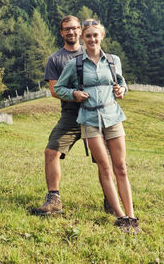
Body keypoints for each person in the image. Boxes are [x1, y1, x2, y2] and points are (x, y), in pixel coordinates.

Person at [54, 19, 141, 233]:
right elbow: (58, 88)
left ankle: (131, 216)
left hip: (113, 117)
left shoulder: (113, 60)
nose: (92, 39)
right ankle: (121, 218)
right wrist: (74, 94)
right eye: (88, 36)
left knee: (121, 167)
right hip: (90, 120)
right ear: (83, 38)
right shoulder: (75, 64)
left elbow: (121, 83)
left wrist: (122, 90)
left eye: (96, 35)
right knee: (105, 167)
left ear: (101, 36)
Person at [31, 16, 113, 216]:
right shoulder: (55, 59)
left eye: (75, 28)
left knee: (104, 159)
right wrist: (74, 95)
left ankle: (111, 201)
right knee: (51, 151)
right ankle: (54, 199)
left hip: (96, 112)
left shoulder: (92, 50)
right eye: (67, 29)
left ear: (81, 32)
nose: (71, 32)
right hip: (71, 113)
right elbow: (54, 90)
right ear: (61, 33)